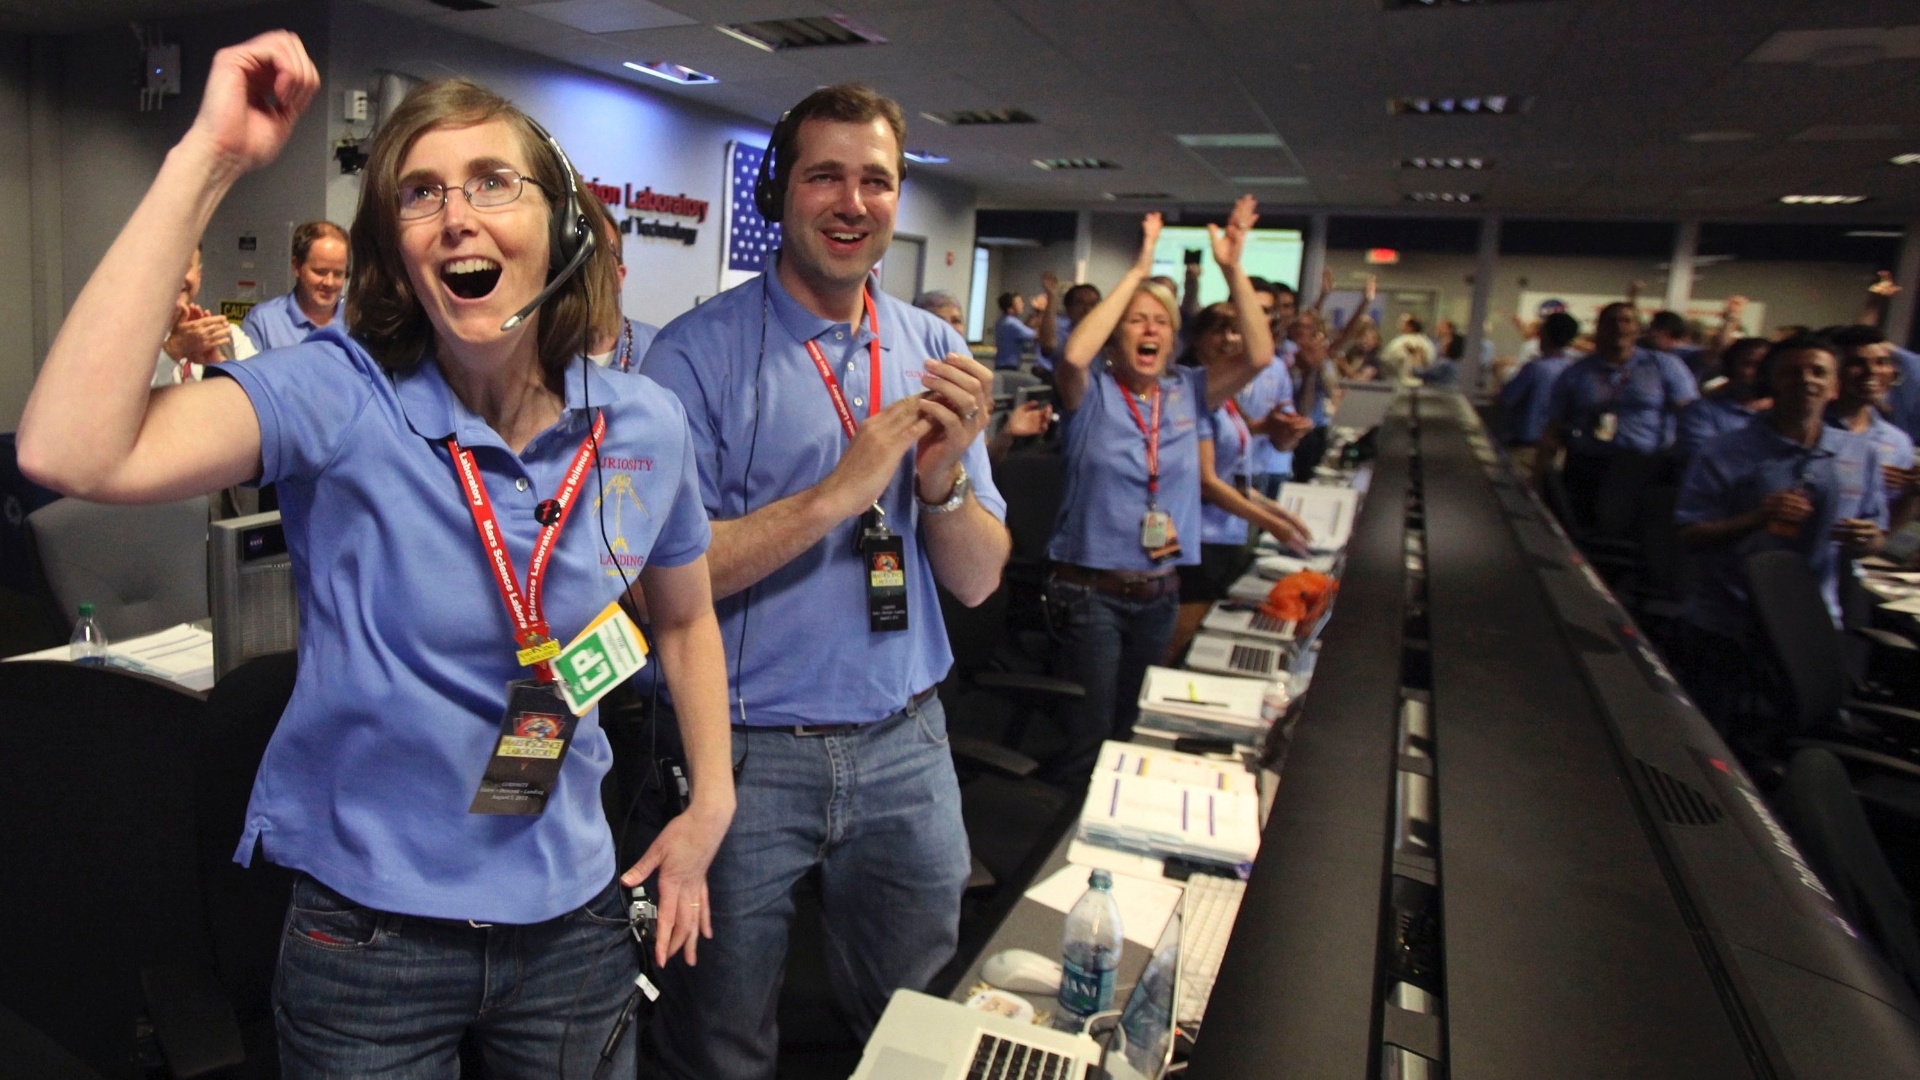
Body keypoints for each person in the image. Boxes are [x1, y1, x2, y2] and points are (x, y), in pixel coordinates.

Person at [18, 35, 735, 1075]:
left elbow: (685, 617)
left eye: (493, 181)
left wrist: (713, 799)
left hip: (572, 921)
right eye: (420, 194)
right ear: (396, 252)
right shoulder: (340, 395)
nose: (457, 215)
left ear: (564, 229)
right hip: (371, 940)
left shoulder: (642, 423)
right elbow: (66, 449)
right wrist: (208, 158)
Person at [637, 83, 1008, 1080]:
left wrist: (940, 482)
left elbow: (978, 581)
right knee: (720, 1039)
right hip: (744, 754)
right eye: (825, 177)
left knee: (916, 1025)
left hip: (906, 746)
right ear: (779, 193)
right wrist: (837, 496)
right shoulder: (693, 358)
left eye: (875, 181)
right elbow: (660, 586)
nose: (852, 203)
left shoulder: (935, 352)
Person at [1047, 199, 1272, 780]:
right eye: (1135, 320)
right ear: (1114, 335)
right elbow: (1074, 352)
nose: (1150, 329)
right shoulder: (1089, 392)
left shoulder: (1188, 391)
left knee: (1134, 732)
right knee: (1089, 739)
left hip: (1160, 593)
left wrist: (1233, 268)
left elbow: (1260, 353)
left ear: (1174, 339)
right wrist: (1139, 270)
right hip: (1091, 595)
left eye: (1161, 322)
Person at [1673, 337, 1885, 736]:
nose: (1806, 380)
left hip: (1812, 623)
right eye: (1792, 372)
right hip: (1729, 623)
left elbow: (1876, 537)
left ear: (1835, 386)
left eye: (1818, 372)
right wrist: (1756, 519)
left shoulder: (1860, 454)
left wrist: (1867, 539)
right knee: (1714, 741)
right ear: (1771, 382)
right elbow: (1688, 536)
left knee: (1794, 738)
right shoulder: (1724, 450)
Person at [1176, 301, 1312, 602]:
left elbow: (1231, 479)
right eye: (1219, 331)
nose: (1229, 340)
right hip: (1199, 535)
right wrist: (1272, 524)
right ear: (1197, 338)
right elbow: (1207, 483)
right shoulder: (1189, 390)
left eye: (1236, 332)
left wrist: (1280, 513)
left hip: (1225, 532)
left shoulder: (1226, 396)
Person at [1534, 301, 1698, 527]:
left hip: (1644, 469)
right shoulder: (1575, 373)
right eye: (1611, 322)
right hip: (1588, 468)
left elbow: (1689, 414)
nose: (1619, 327)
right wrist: (1538, 482)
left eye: (1626, 321)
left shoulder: (1663, 366)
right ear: (1598, 328)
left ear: (1638, 329)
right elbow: (1554, 429)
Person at [1828, 325, 1918, 527]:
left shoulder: (1897, 441)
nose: (1871, 371)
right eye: (1857, 363)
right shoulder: (1811, 428)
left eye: (1881, 362)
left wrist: (1911, 494)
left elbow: (1884, 526)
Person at [579, 190, 659, 371]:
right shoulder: (527, 354)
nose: (585, 268)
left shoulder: (659, 350)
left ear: (619, 276)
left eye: (599, 252)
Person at [157, 243, 258, 386]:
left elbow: (260, 393)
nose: (176, 276)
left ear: (199, 276)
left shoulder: (227, 337)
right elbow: (128, 395)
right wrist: (173, 351)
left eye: (185, 267)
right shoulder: (131, 340)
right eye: (166, 268)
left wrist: (217, 365)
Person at [240, 220, 348, 350]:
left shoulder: (358, 323)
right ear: (296, 266)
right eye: (320, 272)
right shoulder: (263, 322)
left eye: (338, 274)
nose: (329, 282)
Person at [1498, 311, 1581, 476]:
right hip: (1554, 449)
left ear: (1545, 335)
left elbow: (1506, 398)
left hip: (1524, 448)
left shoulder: (1534, 368)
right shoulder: (1572, 370)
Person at [1674, 337, 1771, 465]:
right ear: (1730, 368)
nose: (1761, 373)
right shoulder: (1701, 412)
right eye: (1751, 364)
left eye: (1767, 366)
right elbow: (1707, 461)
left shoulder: (1785, 414)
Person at [1037, 278, 1100, 372]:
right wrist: (1052, 296)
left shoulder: (1105, 336)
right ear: (1069, 309)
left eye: (1093, 304)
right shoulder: (1063, 334)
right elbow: (1048, 345)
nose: (1087, 309)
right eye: (1080, 303)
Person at [1380, 314, 1434, 386]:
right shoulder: (1427, 342)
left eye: (1402, 322)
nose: (1399, 325)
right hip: (1424, 383)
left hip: (1403, 381)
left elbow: (1387, 359)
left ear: (1410, 327)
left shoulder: (1400, 341)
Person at [993, 289, 1037, 369]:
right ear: (1010, 308)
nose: (1022, 304)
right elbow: (1035, 335)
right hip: (1009, 366)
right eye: (1019, 302)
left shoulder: (1002, 321)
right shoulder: (1012, 323)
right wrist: (1039, 311)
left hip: (1001, 365)